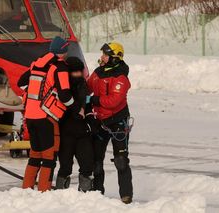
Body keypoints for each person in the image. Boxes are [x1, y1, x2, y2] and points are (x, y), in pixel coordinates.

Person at [18, 36, 84, 192]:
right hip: (46, 117)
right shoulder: (59, 67)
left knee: (35, 155)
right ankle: (44, 191)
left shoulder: (37, 63)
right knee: (49, 158)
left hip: (30, 117)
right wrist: (77, 109)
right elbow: (65, 96)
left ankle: (26, 189)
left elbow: (21, 83)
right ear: (63, 51)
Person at [87, 42, 133, 204]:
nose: (102, 57)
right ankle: (97, 192)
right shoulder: (98, 73)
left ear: (114, 58)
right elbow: (87, 87)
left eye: (105, 55)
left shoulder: (121, 77)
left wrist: (93, 99)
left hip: (117, 122)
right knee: (96, 160)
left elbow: (113, 101)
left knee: (121, 160)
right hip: (100, 122)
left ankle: (126, 196)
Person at [56, 57, 94, 192]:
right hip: (66, 132)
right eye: (75, 72)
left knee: (87, 163)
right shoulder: (64, 89)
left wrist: (90, 121)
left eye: (80, 72)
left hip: (83, 132)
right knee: (65, 165)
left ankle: (85, 192)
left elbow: (88, 105)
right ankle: (60, 191)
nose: (78, 75)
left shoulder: (84, 86)